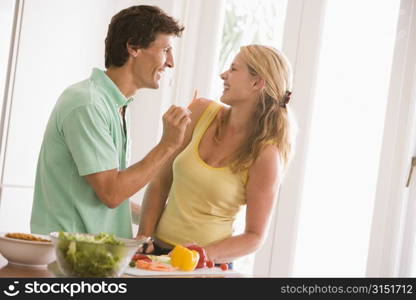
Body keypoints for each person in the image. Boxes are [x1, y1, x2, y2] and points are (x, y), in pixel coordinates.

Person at [30, 5, 189, 239]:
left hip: (94, 257)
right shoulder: (87, 103)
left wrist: (160, 219)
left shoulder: (117, 105)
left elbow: (105, 198)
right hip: (68, 259)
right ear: (133, 47)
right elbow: (112, 193)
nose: (171, 62)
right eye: (165, 50)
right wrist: (168, 144)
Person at [137, 45, 296, 267]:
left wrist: (201, 255)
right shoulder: (201, 111)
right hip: (156, 253)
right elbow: (160, 182)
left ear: (256, 82)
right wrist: (143, 240)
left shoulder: (266, 155)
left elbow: (254, 236)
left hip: (206, 266)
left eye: (233, 69)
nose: (223, 75)